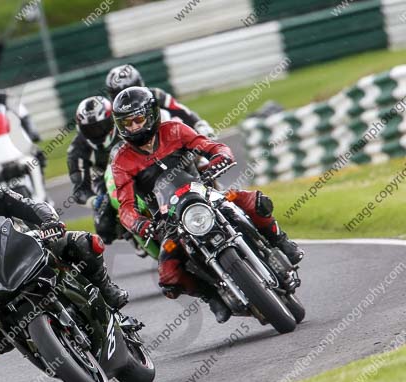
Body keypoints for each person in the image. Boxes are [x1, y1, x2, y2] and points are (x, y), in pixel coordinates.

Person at [110, 87, 303, 323]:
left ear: (151, 114)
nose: (133, 127)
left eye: (138, 119)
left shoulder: (175, 130)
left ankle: (280, 241)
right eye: (126, 123)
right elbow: (125, 207)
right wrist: (140, 224)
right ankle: (212, 296)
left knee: (255, 202)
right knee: (169, 277)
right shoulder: (121, 161)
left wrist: (220, 159)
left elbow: (213, 147)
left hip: (205, 194)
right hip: (169, 219)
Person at [0, 161, 128, 359]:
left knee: (85, 243)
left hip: (27, 246)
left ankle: (106, 289)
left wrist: (49, 222)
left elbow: (30, 206)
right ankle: (39, 348)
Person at [66, 96, 124, 244]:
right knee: (103, 226)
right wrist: (95, 201)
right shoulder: (77, 150)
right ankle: (125, 230)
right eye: (90, 129)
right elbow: (80, 190)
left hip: (138, 167)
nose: (97, 133)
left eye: (101, 126)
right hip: (105, 180)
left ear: (112, 120)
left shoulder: (126, 126)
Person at [105, 64, 215, 138]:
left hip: (163, 137)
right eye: (118, 94)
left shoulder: (155, 94)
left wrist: (198, 124)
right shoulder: (111, 112)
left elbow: (179, 110)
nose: (127, 97)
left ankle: (194, 157)